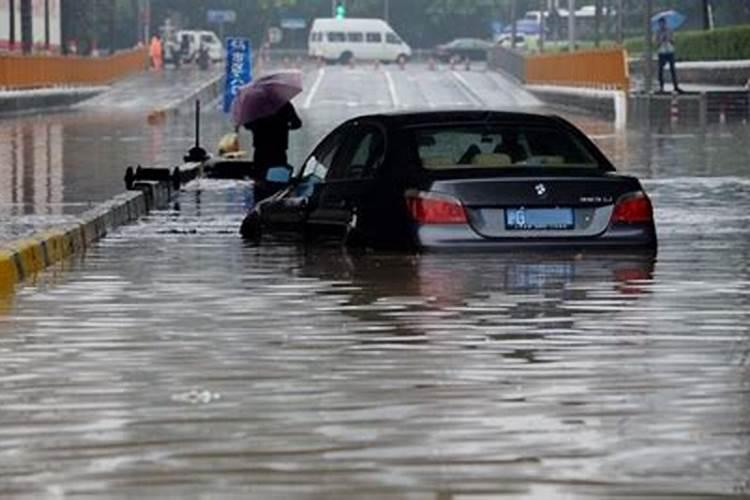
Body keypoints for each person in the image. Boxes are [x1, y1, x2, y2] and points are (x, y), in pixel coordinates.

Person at [244, 102, 302, 172]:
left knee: (260, 172)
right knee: (278, 174)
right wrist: (285, 127)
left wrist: (257, 127)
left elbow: (247, 125)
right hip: (279, 146)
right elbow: (297, 123)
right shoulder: (285, 104)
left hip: (261, 146)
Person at [655, 17, 683, 94]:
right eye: (660, 24)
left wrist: (669, 39)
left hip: (670, 51)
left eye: (663, 23)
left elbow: (674, 41)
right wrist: (661, 39)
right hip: (662, 52)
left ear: (665, 23)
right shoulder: (657, 32)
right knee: (660, 70)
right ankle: (661, 87)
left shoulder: (670, 30)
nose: (662, 25)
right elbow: (656, 43)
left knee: (672, 70)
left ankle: (675, 86)